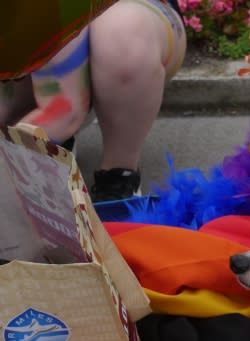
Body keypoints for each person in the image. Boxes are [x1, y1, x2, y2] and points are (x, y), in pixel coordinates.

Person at [0, 0, 187, 202]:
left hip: (132, 22)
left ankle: (118, 175)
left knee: (122, 29)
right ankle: (53, 147)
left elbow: (62, 113)